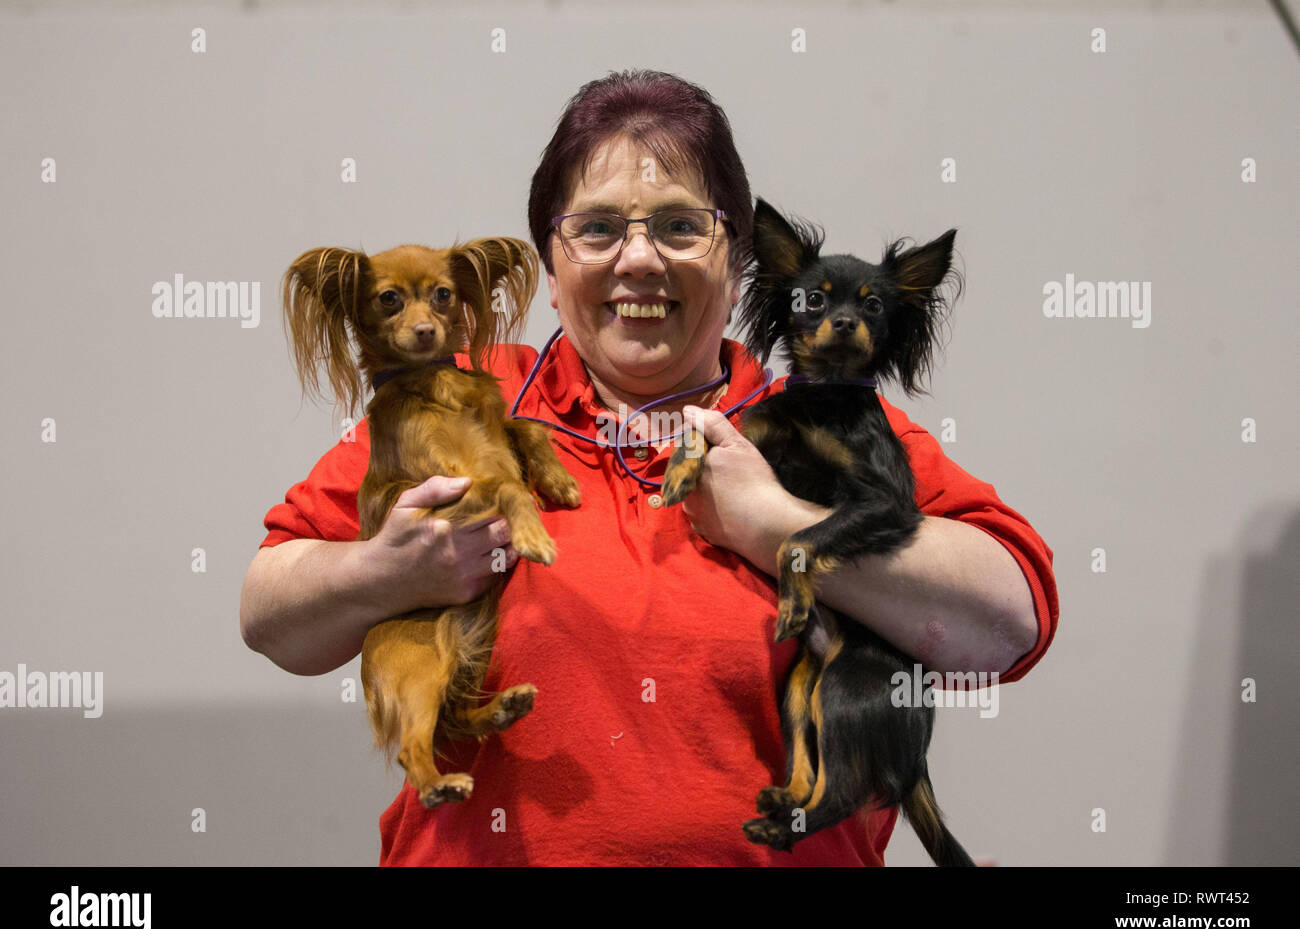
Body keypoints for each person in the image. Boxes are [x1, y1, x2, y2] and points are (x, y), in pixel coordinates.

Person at [240, 69, 1059, 866]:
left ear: (738, 261)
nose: (639, 261)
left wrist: (773, 524)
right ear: (551, 270)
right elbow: (270, 613)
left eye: (678, 227)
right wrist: (384, 575)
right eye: (596, 230)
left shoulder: (824, 415)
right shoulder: (457, 396)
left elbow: (1008, 622)